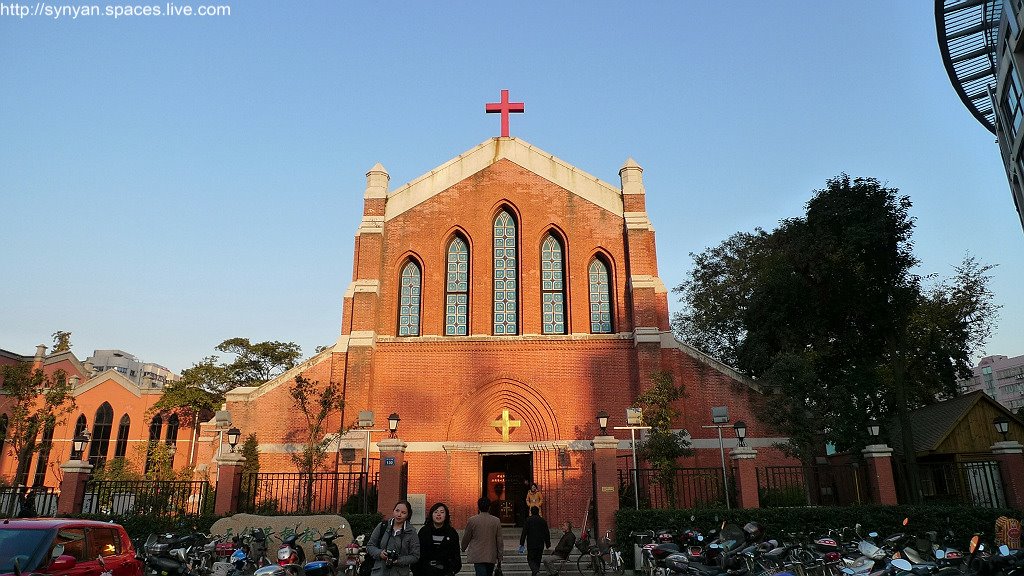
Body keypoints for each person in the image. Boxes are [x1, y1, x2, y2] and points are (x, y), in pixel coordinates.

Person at [367, 500, 421, 576]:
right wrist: (380, 553)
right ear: (393, 511)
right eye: (397, 511)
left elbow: (415, 556)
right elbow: (370, 546)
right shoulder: (382, 526)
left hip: (400, 572)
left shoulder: (411, 532)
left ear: (408, 515)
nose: (399, 514)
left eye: (403, 513)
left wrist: (399, 560)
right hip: (380, 571)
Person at [413, 502, 462, 576]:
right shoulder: (424, 531)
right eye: (435, 512)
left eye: (442, 512)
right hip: (425, 572)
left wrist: (452, 571)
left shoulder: (452, 533)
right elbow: (417, 553)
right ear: (431, 515)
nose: (438, 514)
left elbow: (456, 555)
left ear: (446, 516)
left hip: (445, 572)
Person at [462, 496, 503, 576]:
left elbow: (467, 536)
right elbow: (499, 540)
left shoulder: (472, 520)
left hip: (477, 554)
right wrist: (500, 556)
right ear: (489, 507)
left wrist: (463, 547)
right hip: (491, 554)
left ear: (478, 507)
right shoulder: (496, 521)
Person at [519, 507, 549, 576]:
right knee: (538, 560)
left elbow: (524, 533)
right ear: (538, 512)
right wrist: (548, 543)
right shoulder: (543, 521)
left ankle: (535, 571)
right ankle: (535, 572)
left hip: (531, 544)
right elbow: (546, 533)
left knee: (530, 559)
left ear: (531, 512)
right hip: (540, 544)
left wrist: (522, 544)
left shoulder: (528, 520)